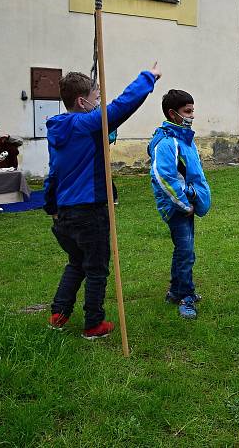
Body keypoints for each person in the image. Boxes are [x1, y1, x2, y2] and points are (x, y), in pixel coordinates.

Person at [44, 63, 161, 339]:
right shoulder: (85, 124)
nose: (99, 104)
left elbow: (54, 172)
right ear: (82, 101)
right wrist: (147, 78)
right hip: (90, 210)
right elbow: (122, 106)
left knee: (76, 261)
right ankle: (93, 324)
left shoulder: (58, 130)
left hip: (65, 213)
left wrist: (51, 206)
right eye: (96, 99)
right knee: (96, 268)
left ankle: (59, 314)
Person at [148, 89, 211, 320]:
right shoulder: (167, 142)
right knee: (186, 252)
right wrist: (184, 204)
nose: (192, 115)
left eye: (193, 110)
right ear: (173, 114)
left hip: (187, 204)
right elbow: (164, 178)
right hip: (177, 207)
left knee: (183, 250)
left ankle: (175, 291)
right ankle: (186, 296)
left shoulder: (184, 138)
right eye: (188, 111)